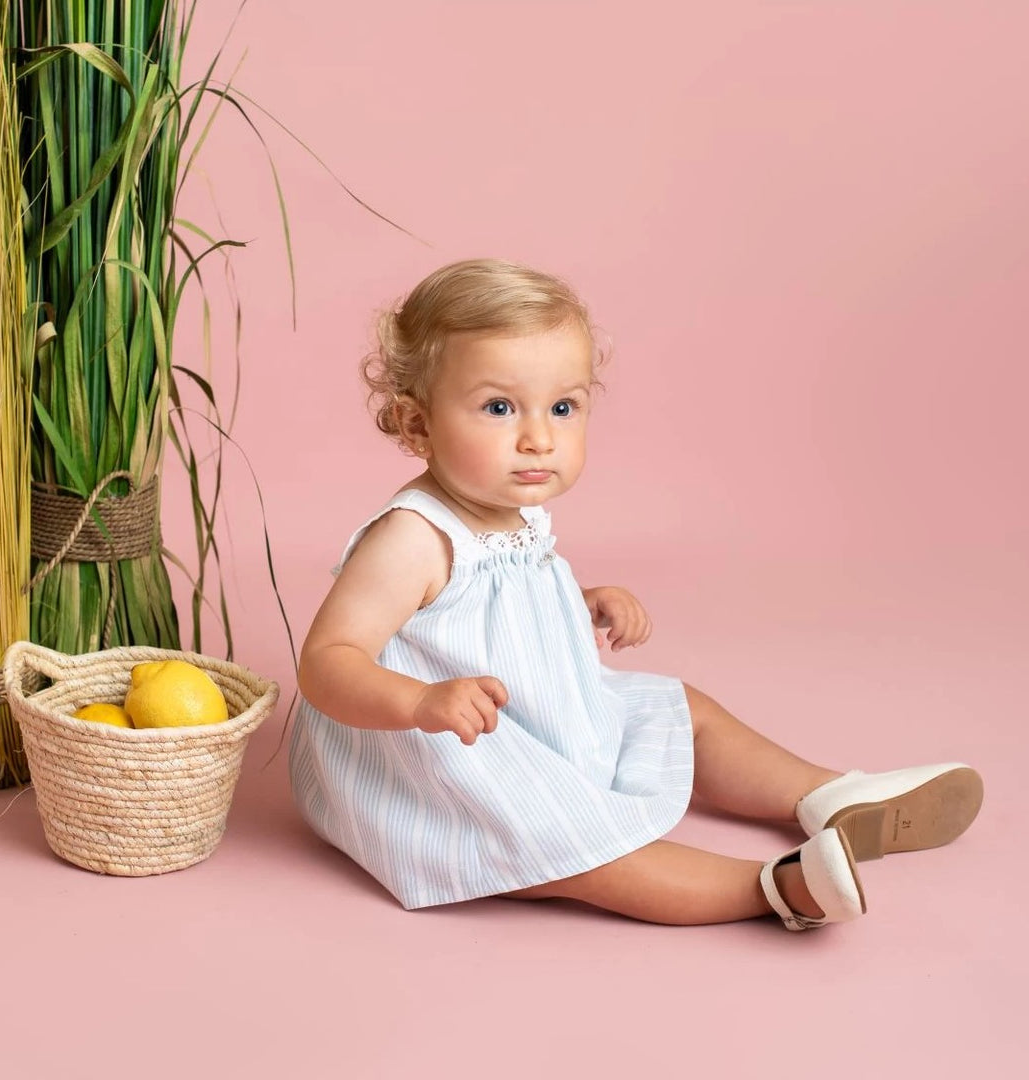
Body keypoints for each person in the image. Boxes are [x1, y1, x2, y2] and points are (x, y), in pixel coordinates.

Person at [289, 258, 983, 930]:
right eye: (499, 408)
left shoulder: (513, 510)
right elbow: (327, 660)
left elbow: (494, 602)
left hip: (547, 714)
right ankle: (772, 888)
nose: (538, 438)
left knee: (682, 709)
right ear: (418, 425)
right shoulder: (411, 539)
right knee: (567, 839)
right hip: (453, 754)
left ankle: (828, 793)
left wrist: (577, 600)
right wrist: (419, 702)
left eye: (563, 407)